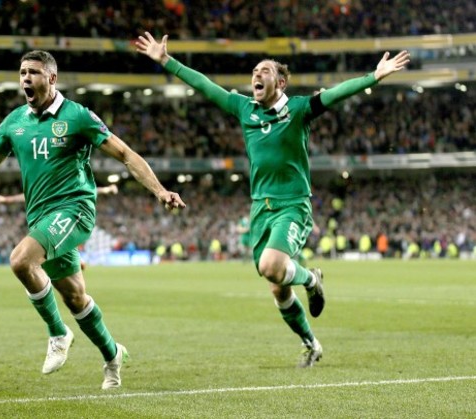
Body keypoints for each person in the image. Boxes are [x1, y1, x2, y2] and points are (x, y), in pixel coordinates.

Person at [0, 50, 186, 389]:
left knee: (21, 261)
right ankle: (112, 355)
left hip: (75, 209)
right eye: (22, 72)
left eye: (33, 72)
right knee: (75, 297)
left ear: (51, 79)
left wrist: (159, 190)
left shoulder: (77, 116)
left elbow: (124, 153)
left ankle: (58, 333)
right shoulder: (14, 122)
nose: (25, 79)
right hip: (40, 217)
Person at [136, 32, 409, 367]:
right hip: (260, 209)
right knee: (277, 287)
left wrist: (373, 77)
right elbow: (206, 86)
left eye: (263, 71)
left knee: (271, 266)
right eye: (254, 72)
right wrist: (166, 61)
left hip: (293, 205)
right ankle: (312, 343)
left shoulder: (298, 110)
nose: (256, 76)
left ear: (280, 81)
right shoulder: (244, 109)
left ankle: (311, 278)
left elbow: (334, 95)